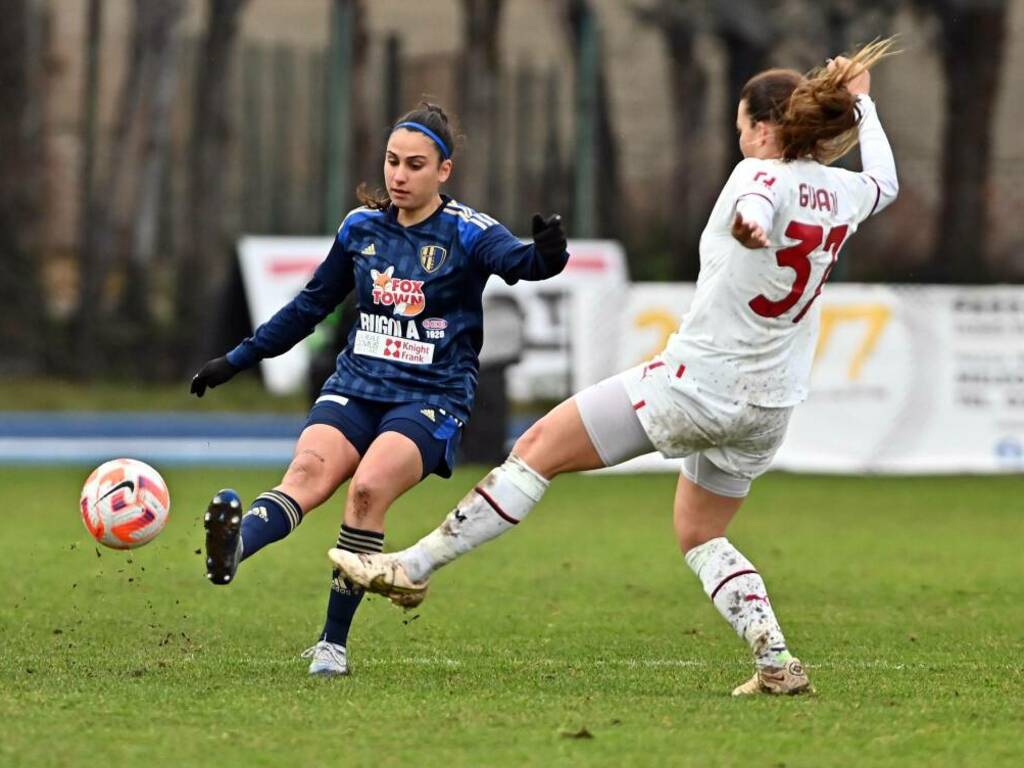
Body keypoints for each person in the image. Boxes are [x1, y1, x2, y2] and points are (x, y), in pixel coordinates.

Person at [330, 42, 900, 696]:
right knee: (700, 531)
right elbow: (887, 181)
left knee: (538, 448)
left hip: (697, 386)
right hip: (770, 407)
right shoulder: (845, 191)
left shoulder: (759, 177)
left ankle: (415, 565)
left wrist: (751, 226)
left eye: (741, 125)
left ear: (763, 129)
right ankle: (775, 662)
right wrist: (865, 102)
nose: (738, 136)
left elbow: (759, 205)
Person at [189, 102, 569, 677]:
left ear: (444, 171)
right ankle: (235, 548)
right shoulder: (360, 228)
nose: (399, 175)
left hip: (432, 397)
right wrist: (238, 359)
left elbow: (525, 264)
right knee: (305, 477)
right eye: (392, 161)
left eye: (415, 164)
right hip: (357, 384)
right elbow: (310, 306)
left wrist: (550, 251)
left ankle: (332, 645)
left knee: (367, 490)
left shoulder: (468, 232)